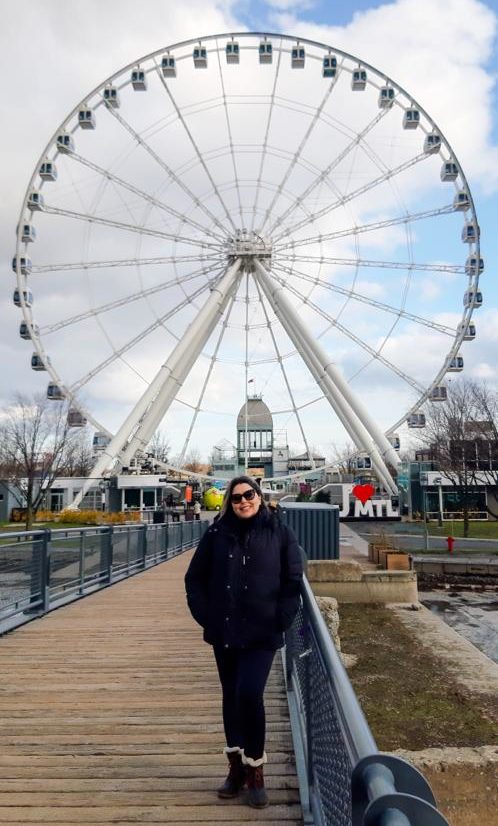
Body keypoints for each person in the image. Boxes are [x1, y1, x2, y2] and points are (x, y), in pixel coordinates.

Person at [184, 476, 303, 809]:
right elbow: (194, 578)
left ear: (259, 497)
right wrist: (206, 615)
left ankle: (256, 768)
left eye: (249, 495)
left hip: (262, 633)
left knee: (249, 694)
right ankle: (236, 769)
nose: (243, 501)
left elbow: (293, 579)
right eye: (236, 498)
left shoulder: (279, 532)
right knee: (231, 697)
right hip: (225, 631)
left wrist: (282, 618)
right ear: (229, 503)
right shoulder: (216, 534)